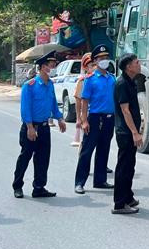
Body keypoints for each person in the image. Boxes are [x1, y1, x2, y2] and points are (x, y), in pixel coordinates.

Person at [12, 51, 66, 198]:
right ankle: (17, 186)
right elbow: (25, 108)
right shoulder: (30, 86)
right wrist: (29, 127)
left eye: (54, 65)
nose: (53, 68)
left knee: (43, 158)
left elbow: (53, 104)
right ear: (42, 67)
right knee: (25, 157)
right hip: (32, 127)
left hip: (44, 127)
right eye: (51, 65)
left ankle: (39, 187)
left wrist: (59, 118)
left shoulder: (50, 85)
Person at [74, 44, 116, 194]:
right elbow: (85, 101)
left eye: (106, 58)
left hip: (109, 118)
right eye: (101, 58)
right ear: (96, 61)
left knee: (104, 150)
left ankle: (100, 180)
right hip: (95, 118)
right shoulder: (90, 79)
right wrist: (84, 120)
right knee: (87, 150)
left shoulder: (112, 78)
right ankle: (79, 182)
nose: (105, 60)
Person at [112, 53, 145, 214]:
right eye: (136, 62)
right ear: (128, 67)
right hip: (125, 133)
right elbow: (125, 111)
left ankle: (127, 196)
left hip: (130, 131)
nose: (139, 64)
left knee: (130, 166)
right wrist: (134, 133)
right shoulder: (122, 84)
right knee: (123, 168)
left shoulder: (131, 82)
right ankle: (119, 203)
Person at [72, 52, 93, 147]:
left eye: (95, 65)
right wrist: (78, 119)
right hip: (86, 115)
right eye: (91, 65)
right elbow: (78, 101)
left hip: (97, 115)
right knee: (85, 144)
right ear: (85, 67)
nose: (94, 68)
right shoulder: (82, 81)